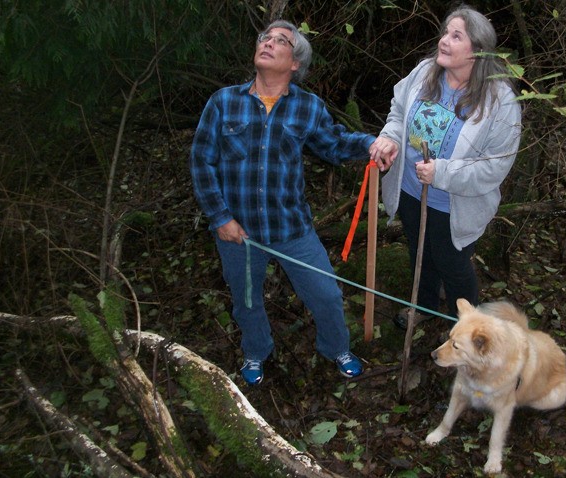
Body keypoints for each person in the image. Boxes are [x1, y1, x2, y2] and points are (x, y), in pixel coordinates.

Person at [190, 20, 394, 385]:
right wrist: (220, 217)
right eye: (264, 38)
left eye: (280, 41)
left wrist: (370, 143)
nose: (267, 44)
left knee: (327, 295)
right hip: (238, 232)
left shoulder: (308, 107)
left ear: (295, 62)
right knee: (247, 302)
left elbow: (333, 143)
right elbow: (202, 161)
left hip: (291, 228)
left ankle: (336, 348)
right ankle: (256, 352)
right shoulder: (223, 102)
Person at [368, 5, 521, 328]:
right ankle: (423, 306)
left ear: (477, 51)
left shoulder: (500, 100)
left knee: (454, 266)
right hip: (410, 190)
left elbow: (495, 166)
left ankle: (466, 330)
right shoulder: (425, 72)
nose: (444, 41)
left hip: (454, 205)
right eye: (445, 33)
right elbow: (398, 113)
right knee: (420, 253)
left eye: (456, 36)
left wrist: (442, 173)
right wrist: (390, 138)